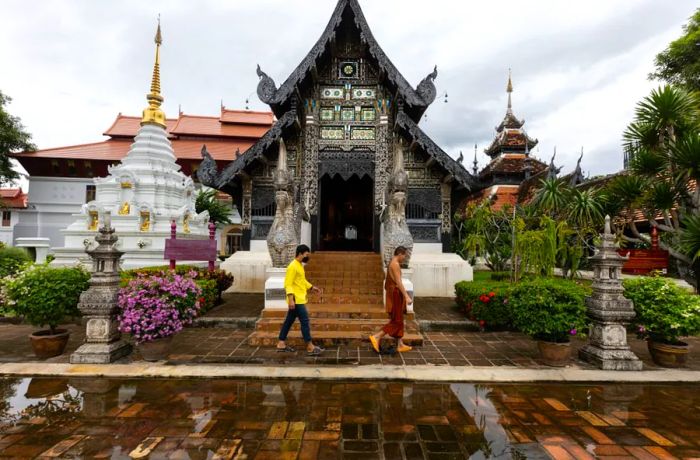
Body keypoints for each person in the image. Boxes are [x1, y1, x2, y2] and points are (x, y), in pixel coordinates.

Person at [277, 244, 324, 356]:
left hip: (299, 298)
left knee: (289, 321)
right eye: (306, 254)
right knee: (305, 321)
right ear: (300, 254)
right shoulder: (292, 266)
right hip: (296, 300)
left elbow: (301, 281)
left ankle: (281, 343)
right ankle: (310, 346)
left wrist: (312, 288)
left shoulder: (299, 266)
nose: (307, 257)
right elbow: (288, 284)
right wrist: (291, 299)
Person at [369, 246, 413, 353]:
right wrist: (406, 296)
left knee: (399, 319)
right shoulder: (395, 264)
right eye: (404, 256)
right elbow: (399, 282)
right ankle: (377, 336)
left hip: (394, 293)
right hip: (396, 294)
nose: (404, 258)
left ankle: (400, 344)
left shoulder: (391, 263)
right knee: (397, 321)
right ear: (399, 254)